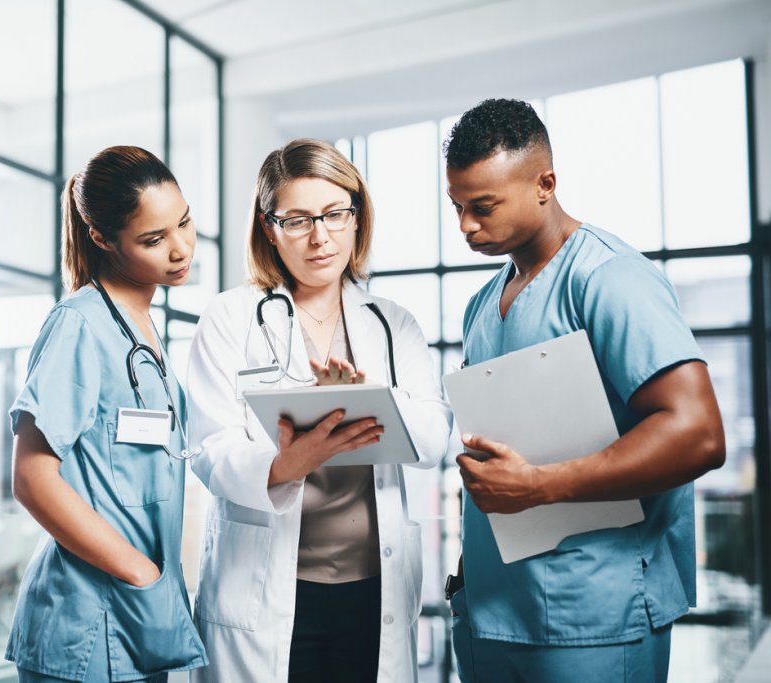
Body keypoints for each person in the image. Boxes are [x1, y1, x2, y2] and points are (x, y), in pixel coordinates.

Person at [443, 98, 726, 682]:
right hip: (491, 610)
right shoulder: (481, 303)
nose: (467, 226)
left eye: (483, 207)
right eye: (457, 207)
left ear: (545, 183)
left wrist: (539, 486)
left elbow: (697, 435)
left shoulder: (610, 279)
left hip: (591, 614)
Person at [185, 138, 453, 682]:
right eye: (297, 219)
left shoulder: (392, 323)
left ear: (357, 216)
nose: (320, 235)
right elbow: (210, 448)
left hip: (371, 590)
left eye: (335, 213)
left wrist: (373, 398)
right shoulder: (230, 318)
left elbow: (434, 438)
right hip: (266, 591)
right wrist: (289, 463)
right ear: (268, 227)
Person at [5, 146, 207, 683]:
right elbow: (31, 478)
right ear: (101, 238)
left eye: (184, 222)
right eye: (153, 239)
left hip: (139, 619)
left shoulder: (141, 327)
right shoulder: (79, 324)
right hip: (89, 619)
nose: (180, 248)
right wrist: (140, 573)